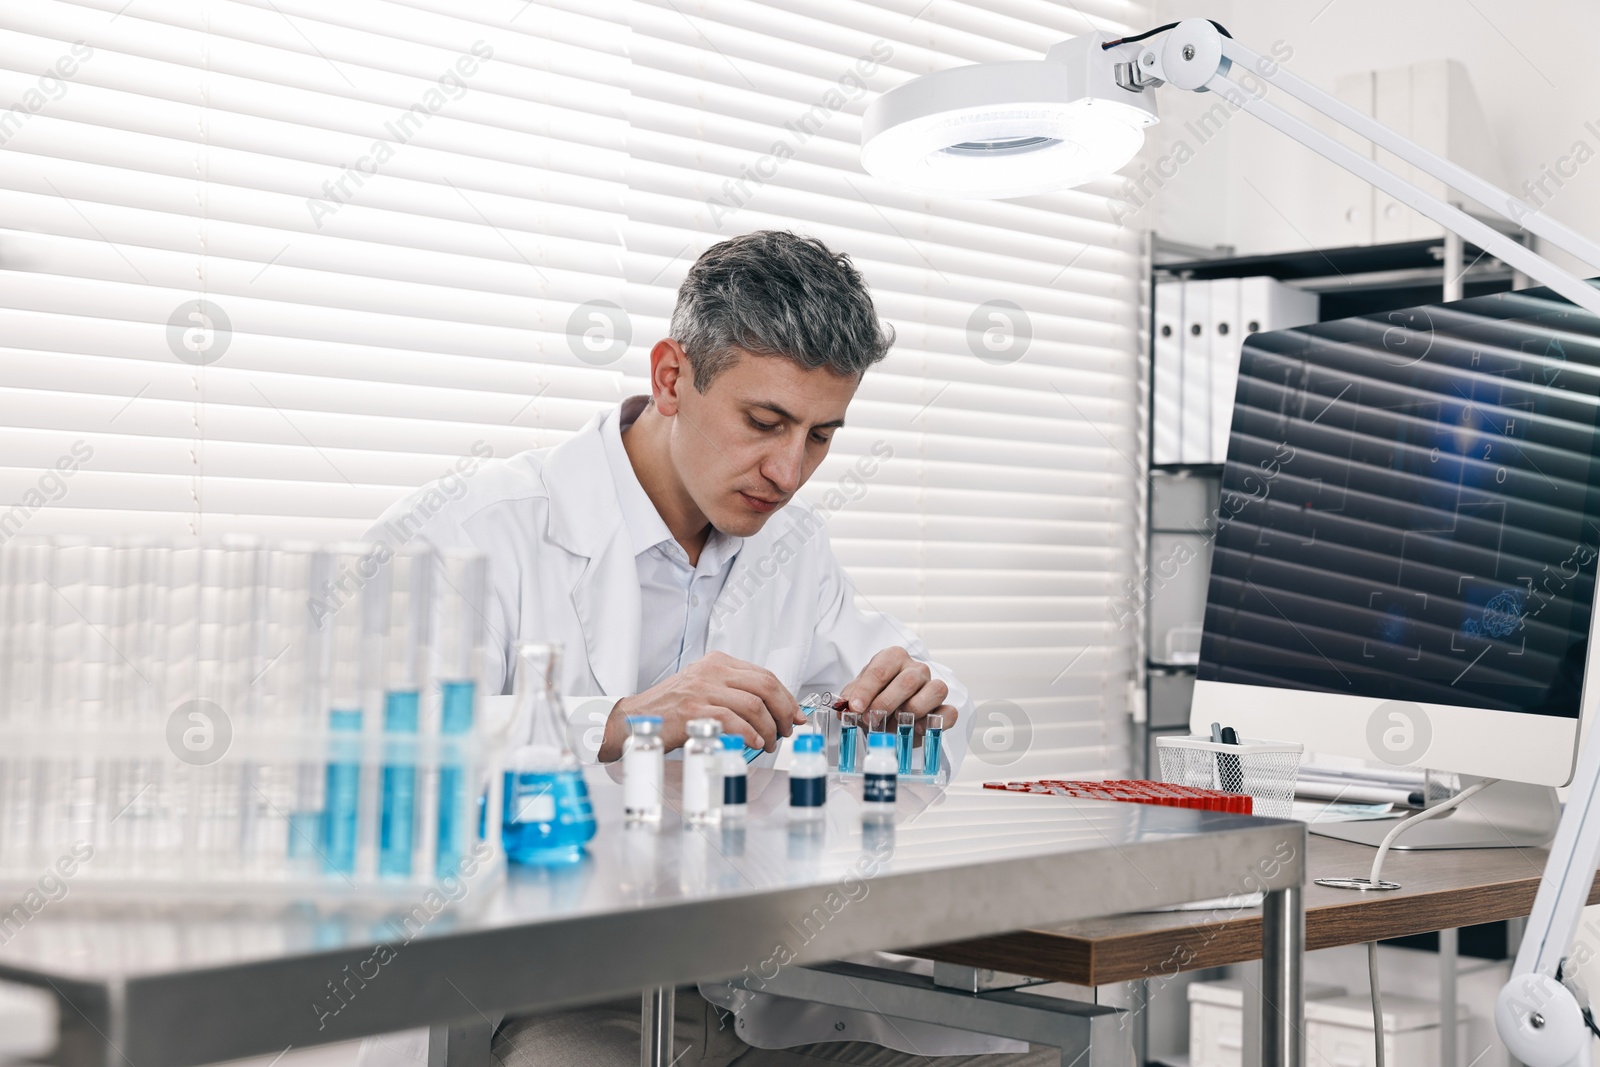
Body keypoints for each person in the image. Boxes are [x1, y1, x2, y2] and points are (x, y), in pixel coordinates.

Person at [357, 231, 1055, 1067]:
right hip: (552, 1000)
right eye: (765, 422)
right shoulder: (474, 531)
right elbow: (385, 759)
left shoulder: (792, 548)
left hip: (762, 992)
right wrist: (618, 721)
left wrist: (912, 707)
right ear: (670, 377)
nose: (789, 469)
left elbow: (927, 718)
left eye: (822, 436)